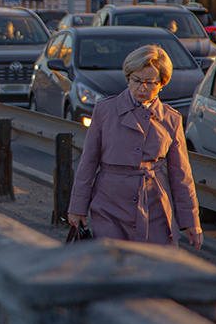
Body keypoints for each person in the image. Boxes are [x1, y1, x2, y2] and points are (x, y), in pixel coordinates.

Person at [67, 44, 203, 251]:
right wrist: (77, 208)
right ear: (128, 78)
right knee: (115, 270)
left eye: (150, 83)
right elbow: (88, 162)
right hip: (109, 205)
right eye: (136, 81)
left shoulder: (171, 118)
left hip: (155, 205)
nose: (141, 88)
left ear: (162, 84)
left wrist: (191, 221)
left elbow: (181, 175)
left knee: (155, 270)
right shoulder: (105, 110)